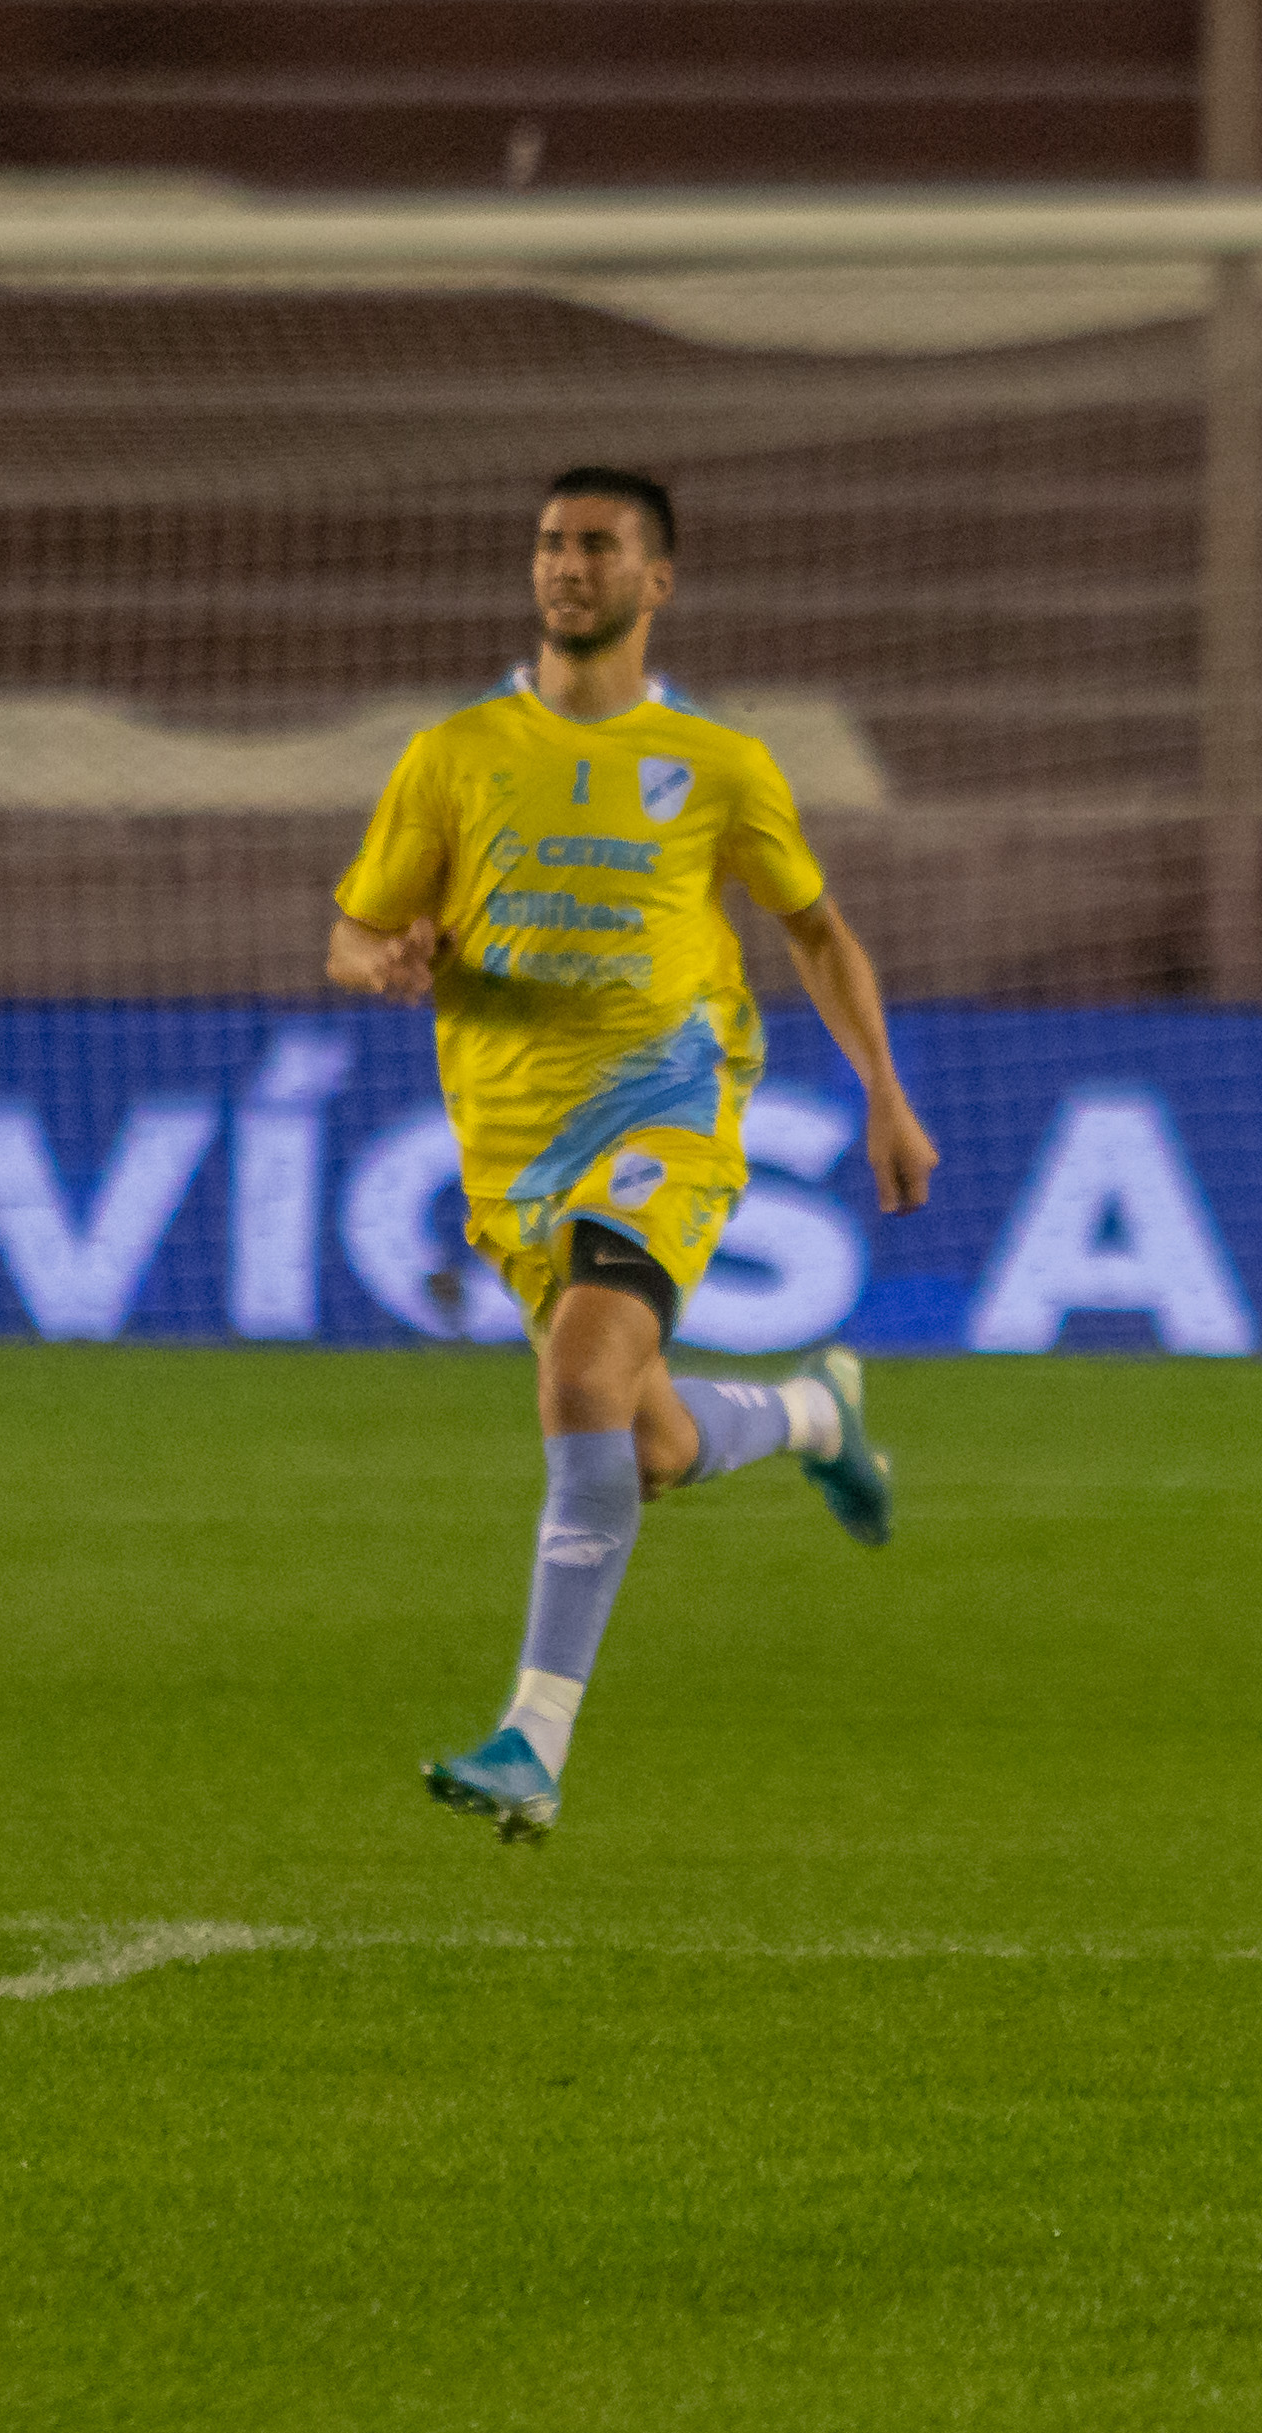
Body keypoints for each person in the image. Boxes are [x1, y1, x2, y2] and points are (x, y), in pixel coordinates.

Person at [327, 467, 936, 1840]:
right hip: (511, 1150)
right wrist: (386, 960)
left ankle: (531, 1739)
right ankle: (813, 1414)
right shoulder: (453, 753)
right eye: (549, 543)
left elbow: (818, 934)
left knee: (584, 1371)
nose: (566, 566)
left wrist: (885, 1096)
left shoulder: (722, 765)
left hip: (669, 1101)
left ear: (656, 582)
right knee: (641, 1445)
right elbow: (351, 930)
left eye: (597, 546)